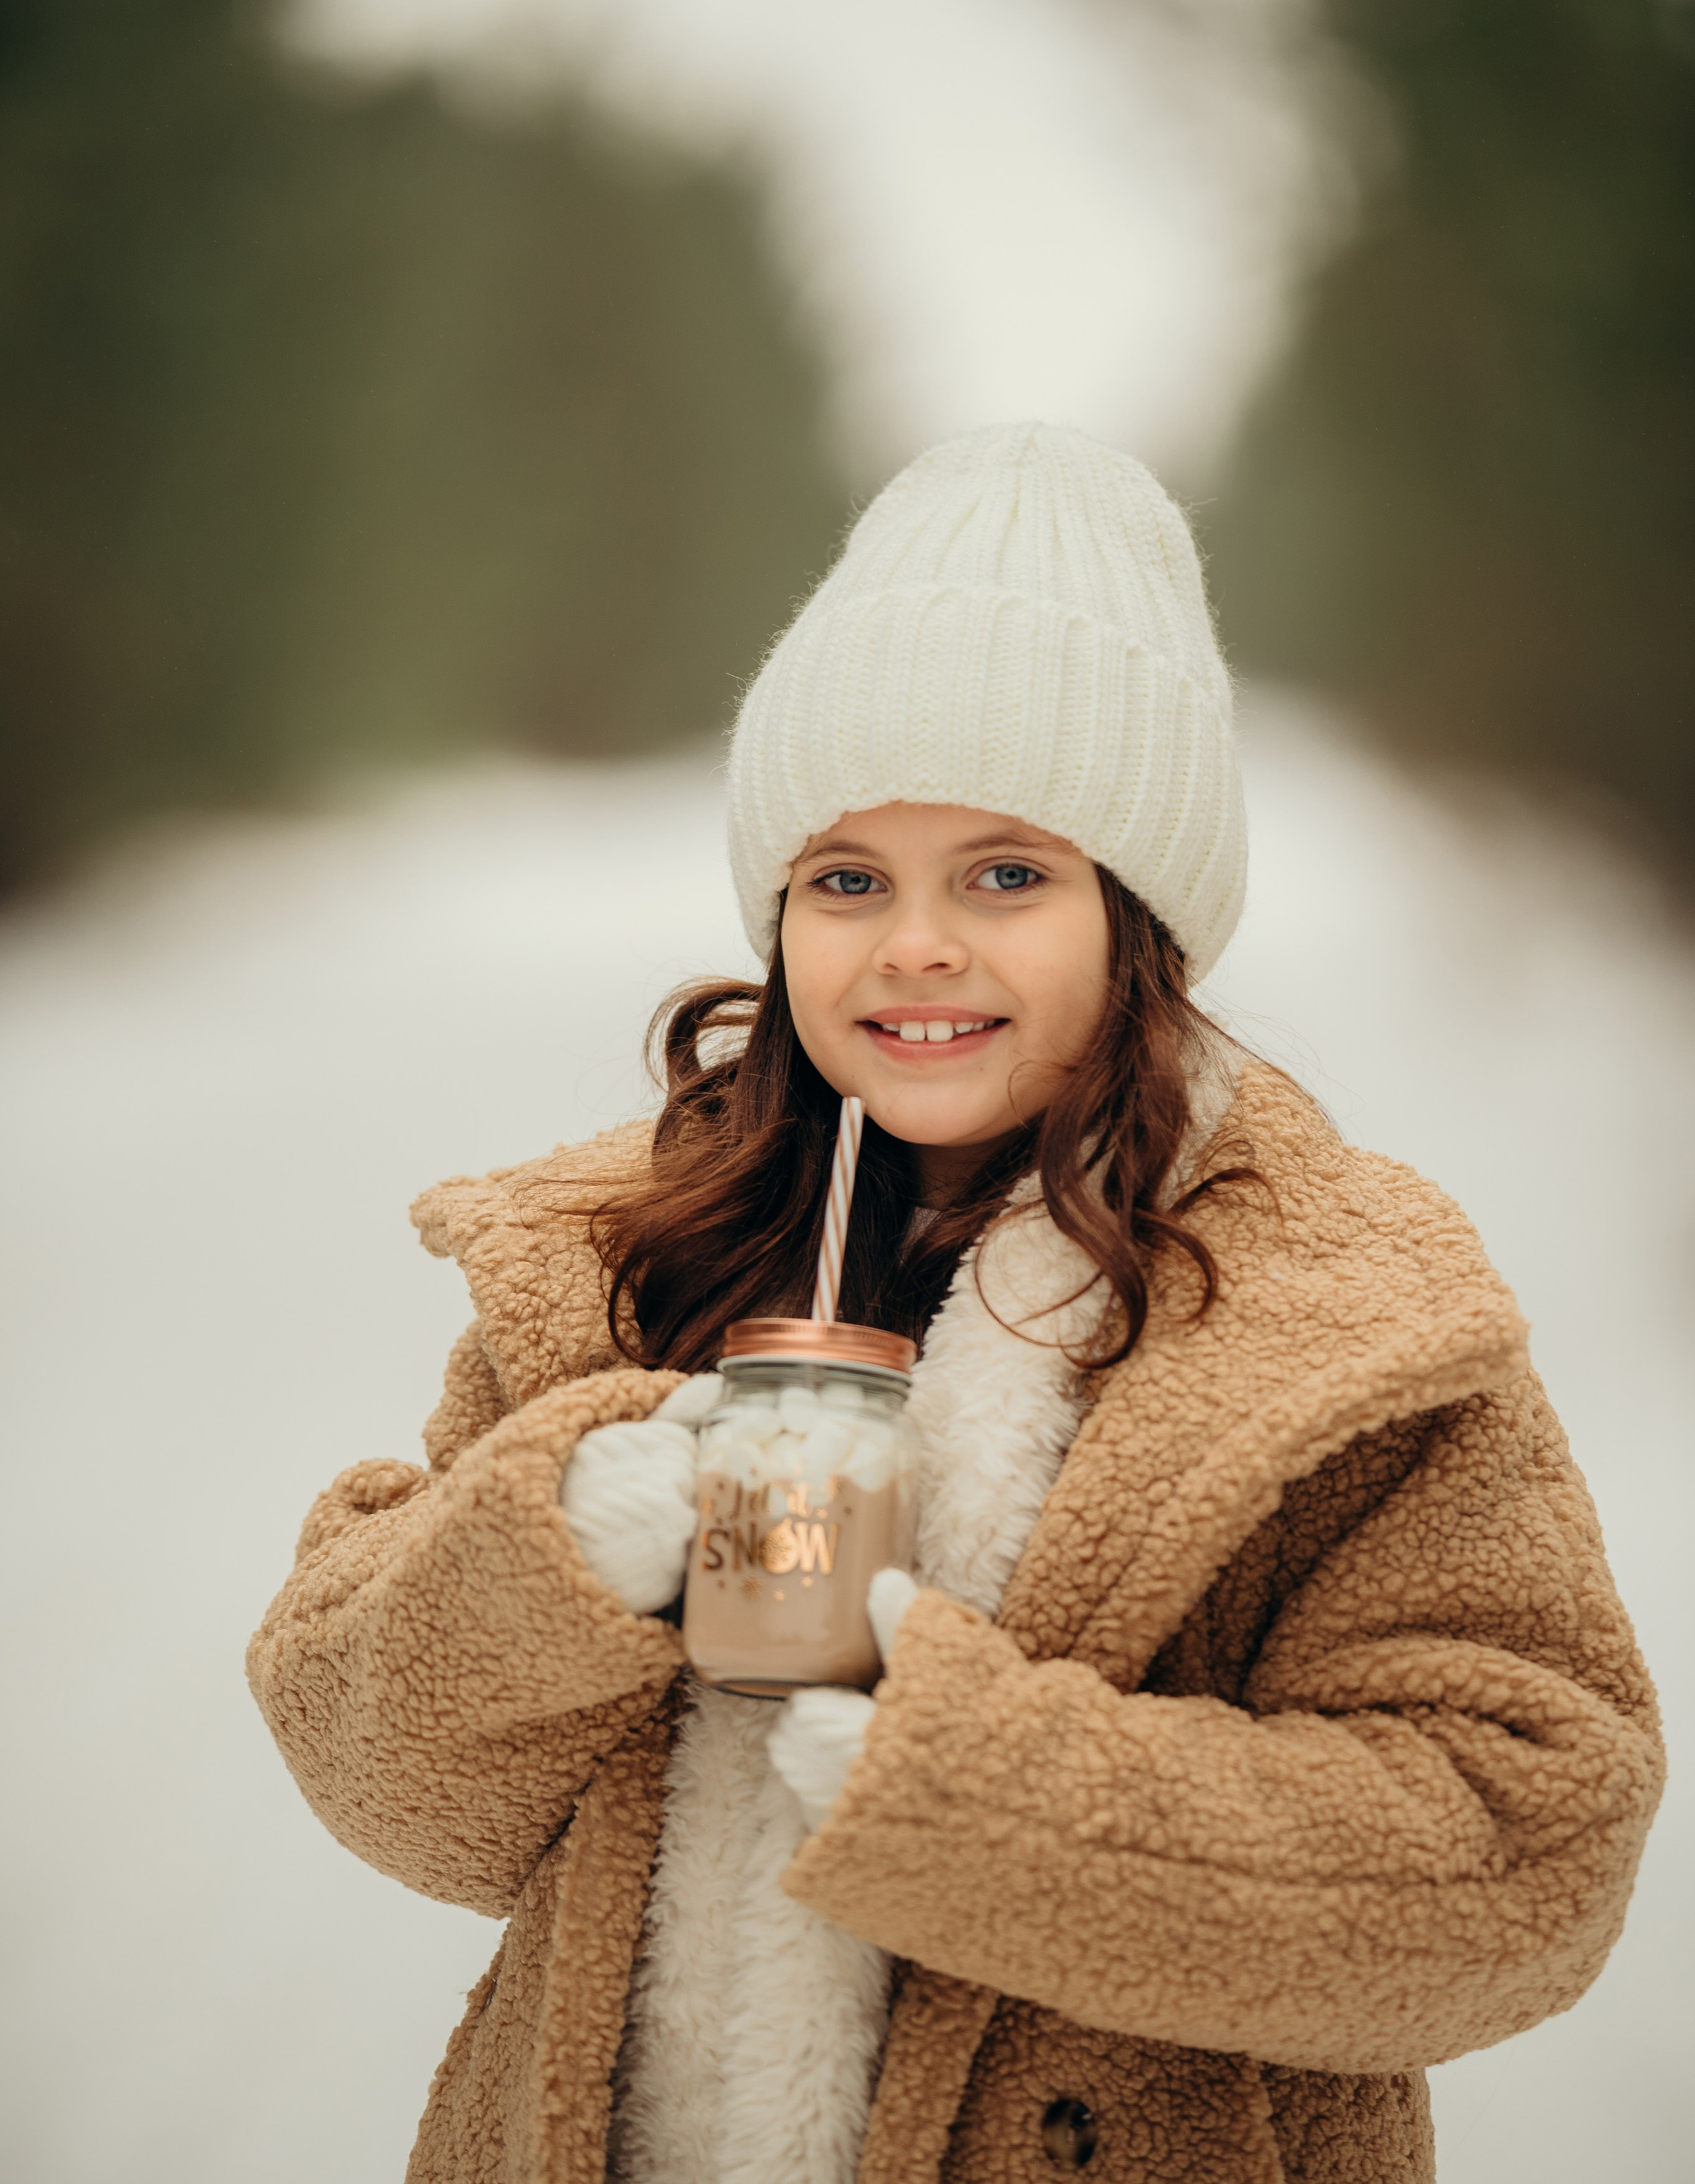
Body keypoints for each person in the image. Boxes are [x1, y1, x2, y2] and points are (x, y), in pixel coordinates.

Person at [249, 422, 1662, 2184]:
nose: (912, 946)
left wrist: (993, 1803)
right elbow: (406, 1794)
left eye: (1006, 873)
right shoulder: (628, 1263)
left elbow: (1530, 1853)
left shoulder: (1338, 1319)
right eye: (849, 879)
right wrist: (558, 1554)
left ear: (1134, 917)